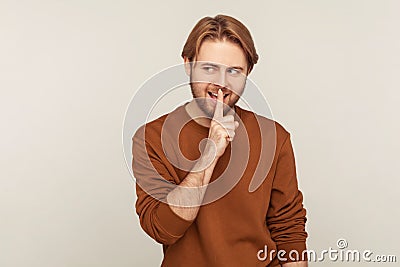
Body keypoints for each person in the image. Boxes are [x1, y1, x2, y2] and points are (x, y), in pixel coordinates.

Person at [132, 14, 308, 267]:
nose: (221, 84)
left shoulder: (273, 137)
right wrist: (211, 153)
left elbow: (288, 230)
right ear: (187, 64)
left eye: (234, 71)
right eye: (209, 68)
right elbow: (163, 228)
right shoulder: (151, 137)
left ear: (248, 73)